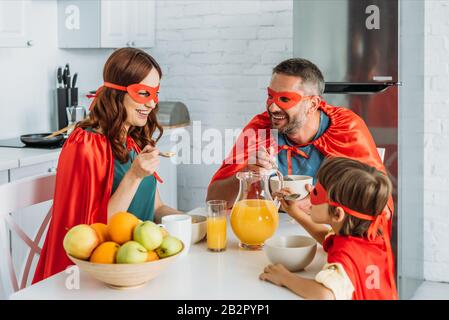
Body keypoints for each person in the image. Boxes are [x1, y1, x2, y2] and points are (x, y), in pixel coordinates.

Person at [33, 48, 182, 283]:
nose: (152, 103)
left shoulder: (133, 140)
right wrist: (134, 175)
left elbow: (156, 207)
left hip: (138, 269)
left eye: (156, 93)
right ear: (116, 93)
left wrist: (192, 223)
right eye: (144, 93)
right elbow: (93, 232)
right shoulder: (85, 143)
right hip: (99, 275)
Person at [206, 58, 393, 221]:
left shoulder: (345, 128)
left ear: (313, 104)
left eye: (285, 99)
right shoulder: (260, 129)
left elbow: (377, 201)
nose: (273, 108)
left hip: (326, 235)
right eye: (270, 97)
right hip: (271, 234)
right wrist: (245, 173)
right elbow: (214, 200)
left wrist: (321, 204)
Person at [260, 157, 397, 300]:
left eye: (316, 193)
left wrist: (285, 278)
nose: (310, 194)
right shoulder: (369, 237)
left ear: (337, 214)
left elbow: (324, 294)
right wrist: (296, 212)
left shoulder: (344, 257)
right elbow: (328, 237)